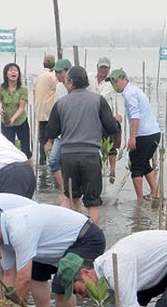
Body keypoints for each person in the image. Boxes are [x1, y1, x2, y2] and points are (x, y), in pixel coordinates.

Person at [0, 203, 106, 307]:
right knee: (36, 274)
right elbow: (9, 275)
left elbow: (22, 280)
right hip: (51, 246)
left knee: (62, 282)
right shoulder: (3, 238)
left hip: (85, 238)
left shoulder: (18, 228)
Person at [46, 65, 119, 224]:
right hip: (90, 156)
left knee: (70, 196)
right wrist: (116, 121)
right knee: (93, 201)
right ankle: (93, 237)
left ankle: (67, 232)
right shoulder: (98, 100)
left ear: (70, 82)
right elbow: (111, 128)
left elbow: (50, 132)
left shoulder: (61, 103)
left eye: (66, 82)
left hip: (69, 156)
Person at [108, 68, 161, 201]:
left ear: (124, 79)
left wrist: (132, 137)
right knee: (144, 164)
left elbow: (135, 117)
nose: (114, 85)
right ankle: (155, 193)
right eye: (112, 82)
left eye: (115, 81)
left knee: (136, 165)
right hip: (154, 133)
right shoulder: (134, 91)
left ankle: (139, 200)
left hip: (144, 135)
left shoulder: (129, 94)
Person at [90, 57, 121, 182]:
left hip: (106, 117)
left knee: (110, 145)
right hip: (92, 117)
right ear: (97, 66)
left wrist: (118, 116)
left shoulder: (111, 84)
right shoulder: (89, 78)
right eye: (101, 67)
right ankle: (98, 169)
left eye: (105, 68)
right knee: (94, 144)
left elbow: (116, 100)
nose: (103, 70)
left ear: (109, 69)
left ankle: (112, 169)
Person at [0, 63, 31, 159]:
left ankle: (29, 170)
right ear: (6, 74)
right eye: (11, 70)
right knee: (8, 149)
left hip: (21, 121)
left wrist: (13, 119)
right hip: (6, 123)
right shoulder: (1, 89)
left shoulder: (23, 88)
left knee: (26, 150)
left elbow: (21, 108)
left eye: (16, 70)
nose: (14, 72)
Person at [48, 58, 72, 196]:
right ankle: (64, 189)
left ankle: (73, 190)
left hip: (74, 132)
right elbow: (57, 110)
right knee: (54, 160)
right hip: (61, 131)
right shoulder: (59, 87)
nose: (57, 75)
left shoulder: (81, 85)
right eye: (56, 72)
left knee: (71, 162)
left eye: (60, 72)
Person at [33, 54, 57, 165]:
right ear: (54, 64)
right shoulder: (53, 77)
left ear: (43, 64)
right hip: (50, 113)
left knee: (42, 139)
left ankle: (42, 162)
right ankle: (52, 163)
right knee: (52, 139)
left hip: (40, 113)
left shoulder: (39, 77)